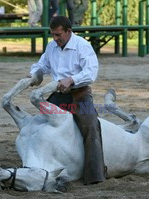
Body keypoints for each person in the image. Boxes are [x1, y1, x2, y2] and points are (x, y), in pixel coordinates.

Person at [28, 16, 106, 185]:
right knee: (38, 124)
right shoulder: (52, 47)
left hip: (80, 94)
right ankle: (36, 165)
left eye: (58, 35)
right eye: (53, 35)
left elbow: (91, 73)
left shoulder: (83, 46)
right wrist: (34, 74)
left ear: (69, 31)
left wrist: (71, 79)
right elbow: (42, 65)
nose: (55, 39)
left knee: (91, 126)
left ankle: (95, 175)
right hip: (57, 95)